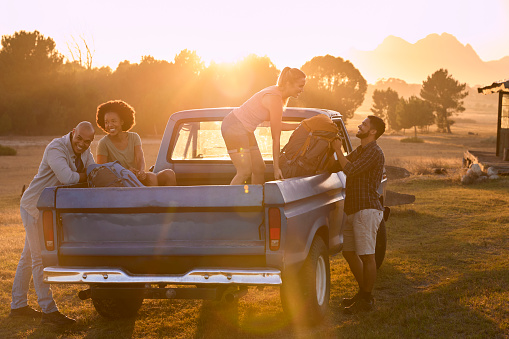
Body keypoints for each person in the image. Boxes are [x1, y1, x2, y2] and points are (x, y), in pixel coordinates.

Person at [10, 121, 96, 326]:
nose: (83, 144)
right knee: (39, 258)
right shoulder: (56, 147)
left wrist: (92, 173)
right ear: (73, 132)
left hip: (48, 208)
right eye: (80, 139)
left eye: (88, 141)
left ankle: (18, 306)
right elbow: (67, 177)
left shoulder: (86, 150)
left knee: (28, 257)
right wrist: (88, 175)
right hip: (34, 206)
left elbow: (94, 169)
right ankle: (49, 311)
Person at [332, 115, 386, 314]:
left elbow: (351, 170)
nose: (359, 126)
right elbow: (339, 165)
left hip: (366, 209)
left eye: (364, 124)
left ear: (372, 132)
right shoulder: (362, 150)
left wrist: (338, 149)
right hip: (354, 208)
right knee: (349, 252)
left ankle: (366, 298)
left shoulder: (374, 152)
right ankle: (364, 294)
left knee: (367, 255)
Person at [221, 67, 306, 185]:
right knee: (244, 172)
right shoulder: (275, 98)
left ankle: (257, 202)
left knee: (259, 168)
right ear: (288, 83)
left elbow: (277, 125)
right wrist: (276, 168)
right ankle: (228, 203)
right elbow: (275, 137)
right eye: (300, 86)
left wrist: (301, 126)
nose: (302, 90)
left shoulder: (278, 95)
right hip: (234, 126)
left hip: (245, 129)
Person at [95, 100, 176, 186]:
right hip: (120, 180)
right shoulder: (103, 143)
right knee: (152, 177)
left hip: (137, 177)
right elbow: (102, 173)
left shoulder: (134, 137)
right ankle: (153, 199)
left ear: (122, 122)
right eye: (106, 122)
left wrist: (141, 171)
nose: (109, 125)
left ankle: (171, 199)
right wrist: (125, 172)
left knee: (169, 173)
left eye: (113, 121)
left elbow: (140, 159)